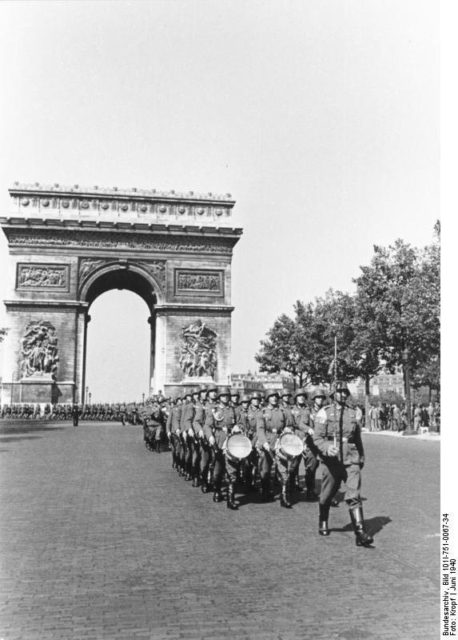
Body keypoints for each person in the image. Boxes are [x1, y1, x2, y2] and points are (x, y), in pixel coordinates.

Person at [313, 381, 373, 547]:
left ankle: (360, 532)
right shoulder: (324, 413)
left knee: (354, 494)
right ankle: (323, 519)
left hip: (350, 458)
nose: (343, 395)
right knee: (327, 494)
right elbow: (317, 438)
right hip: (331, 460)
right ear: (333, 394)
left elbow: (357, 437)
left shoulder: (355, 413)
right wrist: (326, 448)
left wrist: (361, 456)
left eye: (345, 392)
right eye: (339, 392)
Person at [203, 386, 236, 504]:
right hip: (219, 439)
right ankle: (217, 490)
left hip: (231, 440)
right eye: (223, 396)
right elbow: (207, 426)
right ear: (219, 397)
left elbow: (241, 423)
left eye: (227, 395)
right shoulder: (214, 410)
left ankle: (231, 498)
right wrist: (210, 436)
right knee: (218, 469)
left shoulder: (233, 410)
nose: (225, 398)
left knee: (231, 470)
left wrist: (239, 427)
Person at [256, 390, 289, 505]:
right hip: (268, 442)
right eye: (271, 396)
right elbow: (260, 429)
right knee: (265, 470)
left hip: (280, 441)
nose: (274, 398)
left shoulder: (283, 411)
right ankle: (265, 492)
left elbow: (288, 425)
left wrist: (287, 430)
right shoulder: (262, 412)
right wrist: (263, 442)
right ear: (267, 399)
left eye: (275, 396)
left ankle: (283, 496)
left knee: (283, 469)